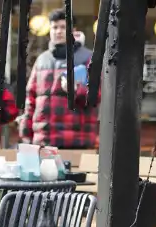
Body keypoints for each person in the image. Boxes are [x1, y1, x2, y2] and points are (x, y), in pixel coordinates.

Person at [18, 8, 98, 149]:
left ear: (73, 30)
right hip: (43, 140)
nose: (58, 31)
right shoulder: (42, 60)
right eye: (55, 27)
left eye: (63, 27)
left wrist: (76, 90)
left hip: (76, 140)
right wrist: (25, 132)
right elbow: (30, 99)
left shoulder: (87, 58)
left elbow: (97, 95)